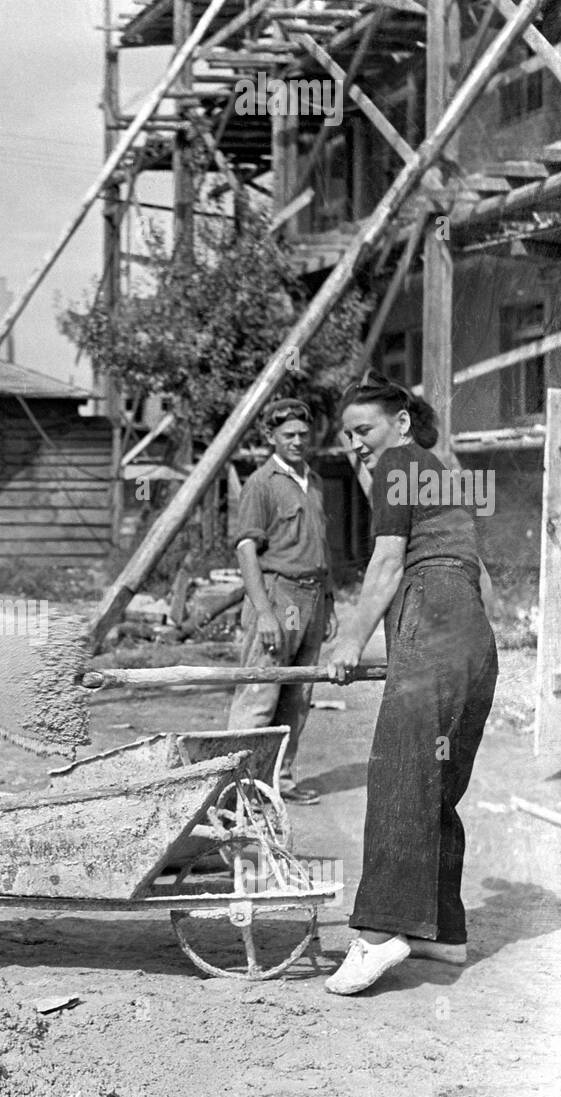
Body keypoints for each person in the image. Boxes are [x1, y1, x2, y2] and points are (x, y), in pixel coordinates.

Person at [323, 371, 498, 995]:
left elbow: (390, 562)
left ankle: (378, 937)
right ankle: (442, 935)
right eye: (346, 436)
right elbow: (469, 573)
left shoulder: (398, 461)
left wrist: (350, 638)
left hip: (431, 612)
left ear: (399, 423)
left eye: (362, 429)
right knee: (436, 783)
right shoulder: (437, 469)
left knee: (400, 769)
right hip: (472, 634)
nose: (355, 445)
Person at [226, 397, 337, 804]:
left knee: (298, 696)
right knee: (260, 694)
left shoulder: (316, 482)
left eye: (303, 434)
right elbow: (245, 550)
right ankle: (236, 788)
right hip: (277, 594)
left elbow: (321, 547)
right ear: (271, 437)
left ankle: (280, 782)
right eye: (288, 434)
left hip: (312, 597)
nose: (297, 441)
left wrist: (330, 602)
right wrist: (263, 612)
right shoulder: (261, 483)